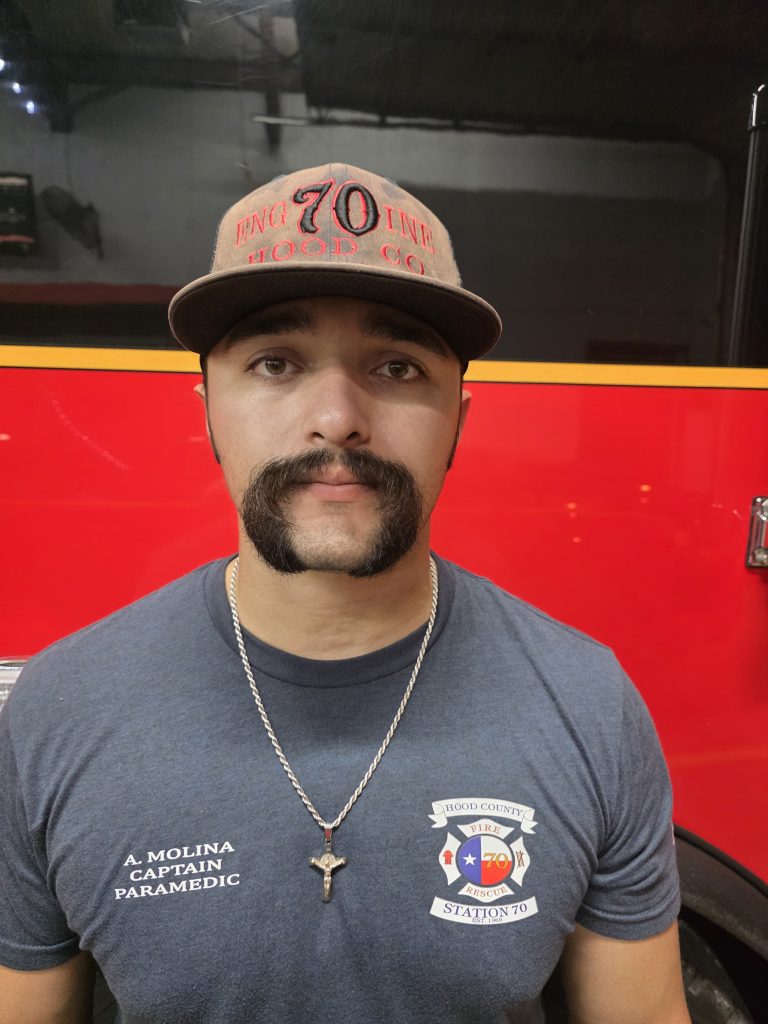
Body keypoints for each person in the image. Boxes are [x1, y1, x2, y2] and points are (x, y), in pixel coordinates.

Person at [0, 163, 691, 1024]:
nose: (337, 417)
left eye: (397, 367)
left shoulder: (589, 706)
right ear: (207, 410)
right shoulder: (58, 712)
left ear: (459, 422)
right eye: (276, 362)